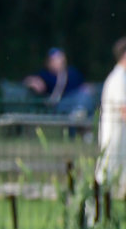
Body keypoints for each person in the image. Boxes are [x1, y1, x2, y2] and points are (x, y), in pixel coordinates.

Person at [23, 47, 98, 116]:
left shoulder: (72, 72)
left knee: (84, 97)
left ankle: (80, 115)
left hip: (76, 100)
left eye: (60, 59)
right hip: (58, 105)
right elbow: (30, 81)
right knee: (82, 99)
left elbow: (83, 85)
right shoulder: (45, 75)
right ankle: (78, 114)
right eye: (55, 59)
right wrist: (32, 82)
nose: (59, 61)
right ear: (49, 62)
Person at [97, 37, 126, 198]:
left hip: (121, 140)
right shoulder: (118, 79)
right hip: (114, 140)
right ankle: (92, 216)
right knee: (105, 178)